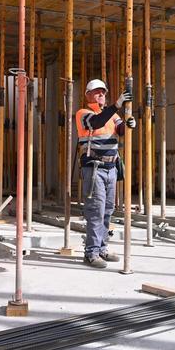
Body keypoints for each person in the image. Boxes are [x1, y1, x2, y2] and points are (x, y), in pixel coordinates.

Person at [74, 78, 135, 269]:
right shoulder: (83, 113)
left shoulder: (112, 115)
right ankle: (91, 253)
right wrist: (117, 105)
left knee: (108, 211)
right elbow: (97, 122)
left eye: (103, 92)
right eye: (97, 92)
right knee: (96, 212)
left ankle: (102, 248)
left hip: (111, 168)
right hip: (94, 169)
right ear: (88, 95)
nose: (101, 95)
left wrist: (129, 123)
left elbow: (120, 129)